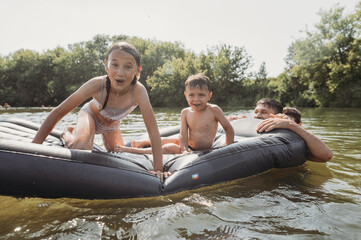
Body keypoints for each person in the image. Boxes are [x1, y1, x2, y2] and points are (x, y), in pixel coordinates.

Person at [32, 42, 167, 178]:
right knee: (82, 149)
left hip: (112, 124)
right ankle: (67, 134)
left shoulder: (139, 91)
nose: (120, 72)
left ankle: (85, 136)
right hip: (90, 115)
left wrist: (158, 169)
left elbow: (153, 130)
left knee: (117, 152)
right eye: (115, 65)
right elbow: (59, 112)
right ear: (106, 66)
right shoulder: (96, 85)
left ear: (138, 71)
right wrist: (34, 149)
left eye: (128, 67)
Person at [116, 73, 234, 154]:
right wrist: (183, 150)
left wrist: (227, 148)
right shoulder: (185, 112)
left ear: (209, 96)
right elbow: (183, 134)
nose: (196, 99)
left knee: (169, 147)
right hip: (187, 144)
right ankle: (144, 142)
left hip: (204, 149)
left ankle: (135, 150)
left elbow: (228, 128)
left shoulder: (214, 110)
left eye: (201, 95)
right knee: (172, 140)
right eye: (191, 95)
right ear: (185, 95)